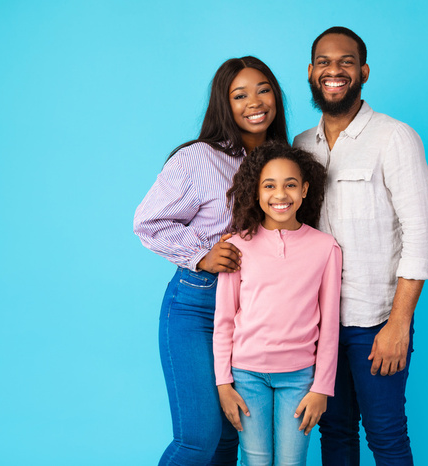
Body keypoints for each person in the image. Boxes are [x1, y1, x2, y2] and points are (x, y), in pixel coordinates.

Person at [293, 27, 428, 465]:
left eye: (345, 62)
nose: (333, 70)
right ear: (310, 71)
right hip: (318, 325)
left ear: (363, 71)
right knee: (334, 434)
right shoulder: (302, 146)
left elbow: (423, 236)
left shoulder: (394, 137)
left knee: (386, 435)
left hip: (375, 321)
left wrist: (398, 324)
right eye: (324, 61)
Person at [133, 56, 288, 466]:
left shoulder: (285, 162)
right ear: (225, 104)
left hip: (255, 314)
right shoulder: (199, 158)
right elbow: (147, 222)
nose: (254, 102)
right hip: (197, 308)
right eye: (240, 95)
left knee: (226, 440)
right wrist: (201, 254)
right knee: (198, 440)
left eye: (263, 89)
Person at [213, 141, 342, 466]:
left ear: (304, 190)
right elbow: (224, 320)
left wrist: (322, 387)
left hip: (300, 377)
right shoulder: (236, 245)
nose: (280, 195)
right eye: (269, 186)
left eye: (290, 185)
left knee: (291, 462)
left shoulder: (326, 249)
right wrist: (223, 383)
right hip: (246, 375)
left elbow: (329, 325)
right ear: (256, 192)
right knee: (255, 461)